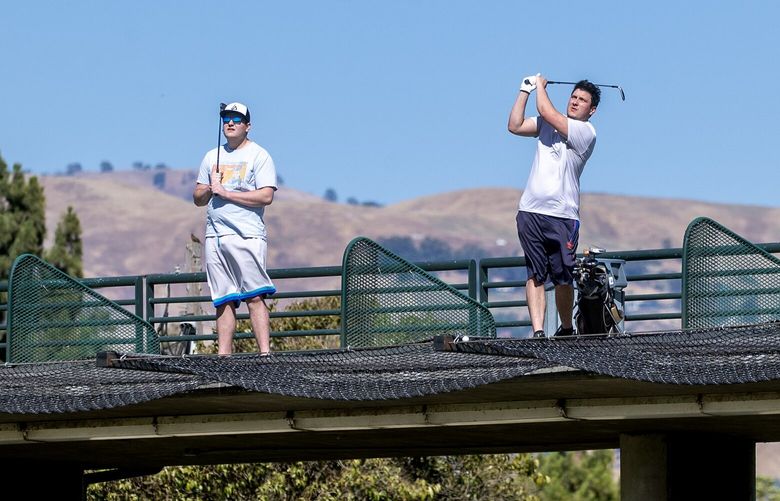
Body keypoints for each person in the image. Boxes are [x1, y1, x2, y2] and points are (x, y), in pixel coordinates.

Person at [507, 74, 599, 338]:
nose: (575, 102)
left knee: (562, 276)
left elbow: (545, 109)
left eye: (582, 100)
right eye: (573, 96)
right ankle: (538, 331)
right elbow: (514, 125)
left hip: (562, 215)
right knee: (535, 273)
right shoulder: (547, 124)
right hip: (530, 211)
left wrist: (540, 85)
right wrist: (524, 90)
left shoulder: (585, 132)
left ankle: (566, 328)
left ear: (591, 110)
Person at [193, 102, 278, 355]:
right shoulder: (211, 156)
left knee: (254, 295)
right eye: (226, 118)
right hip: (216, 237)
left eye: (237, 119)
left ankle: (265, 354)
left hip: (246, 235)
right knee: (224, 299)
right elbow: (197, 197)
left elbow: (266, 196)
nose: (230, 123)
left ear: (248, 126)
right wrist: (210, 188)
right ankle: (224, 357)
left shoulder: (259, 155)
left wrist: (227, 193)